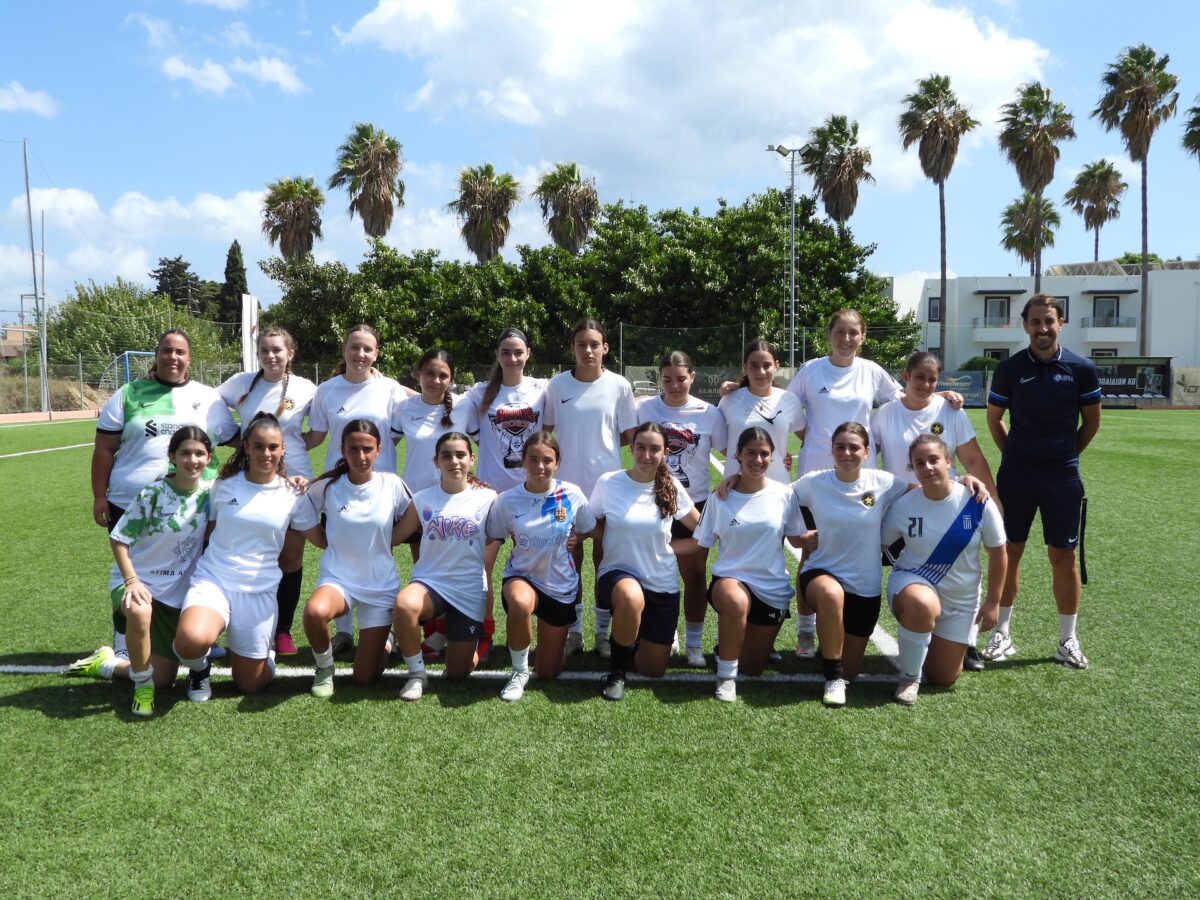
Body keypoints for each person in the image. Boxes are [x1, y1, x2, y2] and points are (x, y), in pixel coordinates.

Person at [91, 329, 238, 658]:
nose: (173, 357)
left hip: (196, 502)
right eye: (167, 350)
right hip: (129, 499)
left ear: (190, 358)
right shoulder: (129, 393)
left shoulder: (209, 397)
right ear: (156, 355)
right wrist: (100, 494)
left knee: (191, 565)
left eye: (180, 352)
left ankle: (194, 636)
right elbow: (104, 448)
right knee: (135, 569)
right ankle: (125, 645)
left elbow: (238, 440)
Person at [982, 294, 1101, 669]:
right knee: (1009, 551)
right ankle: (1002, 633)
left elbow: (1092, 422)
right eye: (1035, 322)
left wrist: (1065, 457)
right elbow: (994, 419)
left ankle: (1068, 640)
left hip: (1062, 476)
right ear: (1025, 326)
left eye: (1049, 321)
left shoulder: (1081, 368)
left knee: (1063, 556)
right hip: (1016, 476)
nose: (1043, 328)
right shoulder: (1010, 368)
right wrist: (1014, 455)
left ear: (1060, 323)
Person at [66, 427, 215, 717]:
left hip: (176, 592)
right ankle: (143, 689)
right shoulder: (152, 494)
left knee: (164, 679)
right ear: (172, 456)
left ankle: (107, 664)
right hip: (135, 579)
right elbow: (119, 539)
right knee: (139, 609)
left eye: (199, 453)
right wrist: (132, 580)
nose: (192, 460)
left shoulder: (211, 493)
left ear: (209, 458)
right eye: (185, 453)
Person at [172, 413, 323, 698]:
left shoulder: (293, 493)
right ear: (246, 448)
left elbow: (321, 540)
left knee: (250, 685)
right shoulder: (224, 484)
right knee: (190, 642)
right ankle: (200, 670)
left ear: (283, 449)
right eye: (258, 446)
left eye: (273, 447)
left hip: (259, 590)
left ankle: (266, 656)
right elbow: (206, 530)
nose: (266, 453)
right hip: (215, 580)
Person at [873, 350, 998, 673]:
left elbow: (972, 458)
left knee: (963, 565)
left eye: (932, 380)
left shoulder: (951, 411)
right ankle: (881, 628)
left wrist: (992, 499)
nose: (926, 385)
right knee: (896, 569)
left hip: (947, 507)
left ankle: (966, 640)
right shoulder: (885, 413)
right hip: (901, 511)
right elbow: (867, 457)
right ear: (905, 376)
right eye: (919, 378)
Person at [306, 323, 411, 655]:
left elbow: (410, 418)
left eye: (368, 348)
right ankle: (343, 631)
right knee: (343, 551)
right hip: (339, 487)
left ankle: (385, 622)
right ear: (344, 349)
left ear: (376, 354)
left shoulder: (389, 388)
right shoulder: (327, 390)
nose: (360, 354)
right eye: (355, 347)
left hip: (380, 488)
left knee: (379, 551)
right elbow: (316, 436)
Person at [791, 423, 911, 707]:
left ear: (867, 451)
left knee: (852, 671)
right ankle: (833, 678)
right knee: (831, 594)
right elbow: (774, 495)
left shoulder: (883, 482)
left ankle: (834, 655)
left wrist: (965, 481)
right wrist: (734, 480)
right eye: (840, 447)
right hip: (820, 573)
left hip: (865, 586)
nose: (847, 453)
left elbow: (924, 491)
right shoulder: (814, 482)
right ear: (831, 451)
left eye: (854, 447)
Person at [883, 434, 1007, 705]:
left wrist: (993, 603)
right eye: (919, 463)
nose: (927, 467)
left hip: (961, 599)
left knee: (943, 677)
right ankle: (909, 678)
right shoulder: (905, 505)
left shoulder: (977, 501)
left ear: (948, 461)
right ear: (913, 469)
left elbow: (998, 553)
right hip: (914, 581)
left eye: (934, 460)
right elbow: (879, 543)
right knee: (921, 605)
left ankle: (924, 640)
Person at [217, 326, 319, 657]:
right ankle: (246, 623)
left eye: (277, 350)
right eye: (264, 350)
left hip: (295, 483)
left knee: (290, 557)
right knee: (254, 553)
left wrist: (295, 448)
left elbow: (318, 431)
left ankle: (282, 630)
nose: (271, 356)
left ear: (291, 354)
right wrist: (235, 438)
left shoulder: (306, 388)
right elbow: (207, 401)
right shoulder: (240, 383)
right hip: (252, 479)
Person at [541, 318, 638, 658]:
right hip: (565, 491)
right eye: (581, 344)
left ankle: (602, 632)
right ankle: (574, 632)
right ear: (572, 348)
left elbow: (630, 436)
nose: (588, 350)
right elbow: (547, 433)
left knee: (605, 562)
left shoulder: (620, 386)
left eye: (594, 344)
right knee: (568, 560)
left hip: (606, 491)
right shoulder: (557, 385)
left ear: (605, 348)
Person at [691, 427, 809, 702]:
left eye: (764, 454)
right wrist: (661, 545)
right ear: (738, 454)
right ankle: (726, 677)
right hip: (730, 580)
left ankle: (726, 648)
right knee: (736, 602)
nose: (758, 459)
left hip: (772, 588)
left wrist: (826, 536)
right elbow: (701, 542)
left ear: (773, 456)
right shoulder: (720, 497)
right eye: (751, 453)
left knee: (753, 668)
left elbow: (796, 538)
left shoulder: (785, 494)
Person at [301, 421, 412, 697]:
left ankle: (386, 640)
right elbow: (299, 505)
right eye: (353, 449)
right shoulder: (328, 486)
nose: (361, 456)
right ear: (342, 450)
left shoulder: (392, 484)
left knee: (364, 678)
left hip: (380, 586)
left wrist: (391, 539)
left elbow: (416, 514)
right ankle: (324, 668)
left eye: (367, 449)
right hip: (339, 580)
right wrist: (322, 540)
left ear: (379, 450)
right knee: (314, 612)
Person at [588, 422, 698, 701]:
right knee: (630, 596)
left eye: (654, 449)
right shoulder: (608, 482)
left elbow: (703, 531)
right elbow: (590, 523)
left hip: (661, 581)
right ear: (631, 449)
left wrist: (672, 547)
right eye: (641, 447)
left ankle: (632, 634)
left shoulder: (671, 486)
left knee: (653, 669)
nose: (646, 455)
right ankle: (616, 673)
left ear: (665, 452)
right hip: (618, 574)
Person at [485, 432, 596, 701]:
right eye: (533, 459)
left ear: (557, 463)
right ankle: (519, 671)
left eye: (547, 460)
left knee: (548, 673)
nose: (540, 466)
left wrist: (578, 537)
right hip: (521, 576)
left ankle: (554, 648)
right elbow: (494, 536)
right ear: (523, 461)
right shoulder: (506, 500)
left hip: (560, 586)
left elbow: (588, 528)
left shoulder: (572, 494)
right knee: (520, 602)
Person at [391, 433, 500, 701]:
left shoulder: (488, 498)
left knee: (457, 674)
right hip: (431, 584)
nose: (454, 461)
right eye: (446, 455)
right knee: (404, 605)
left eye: (461, 455)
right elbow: (394, 537)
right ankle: (417, 675)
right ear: (436, 461)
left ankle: (459, 636)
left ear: (472, 459)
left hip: (468, 589)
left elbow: (510, 529)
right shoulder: (422, 499)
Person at [637, 350, 727, 666]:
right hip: (653, 501)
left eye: (680, 379)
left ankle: (694, 643)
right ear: (659, 379)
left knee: (693, 573)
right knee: (652, 571)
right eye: (667, 379)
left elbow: (732, 453)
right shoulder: (644, 408)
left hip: (694, 503)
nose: (674, 386)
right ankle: (665, 631)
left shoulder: (709, 413)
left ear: (692, 377)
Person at [718, 340, 805, 486]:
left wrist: (781, 456)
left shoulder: (789, 400)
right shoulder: (729, 400)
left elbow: (808, 438)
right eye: (754, 366)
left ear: (776, 366)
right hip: (737, 488)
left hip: (778, 487)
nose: (761, 372)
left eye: (767, 365)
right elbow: (719, 443)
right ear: (745, 367)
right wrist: (741, 461)